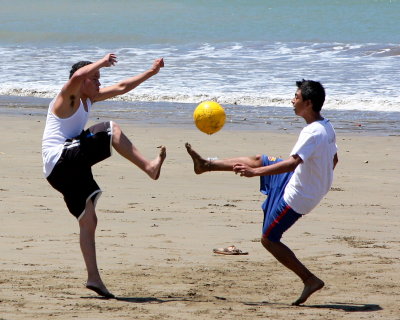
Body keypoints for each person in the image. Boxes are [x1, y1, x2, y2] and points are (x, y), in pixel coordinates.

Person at [185, 80, 338, 306]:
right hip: (303, 184)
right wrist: (319, 180)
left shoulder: (312, 133)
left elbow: (291, 164)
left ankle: (310, 279)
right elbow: (334, 159)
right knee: (260, 159)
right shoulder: (326, 126)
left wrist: (254, 173)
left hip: (297, 197)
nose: (292, 100)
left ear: (308, 102)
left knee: (269, 239)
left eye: (296, 97)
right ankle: (206, 165)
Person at [42, 53, 166, 298]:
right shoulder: (67, 97)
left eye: (99, 78)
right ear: (82, 81)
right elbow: (78, 75)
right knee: (112, 129)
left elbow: (121, 87)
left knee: (89, 219)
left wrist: (151, 73)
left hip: (60, 169)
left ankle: (94, 279)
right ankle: (149, 167)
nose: (99, 82)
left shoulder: (90, 98)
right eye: (95, 78)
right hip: (61, 159)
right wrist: (101, 61)